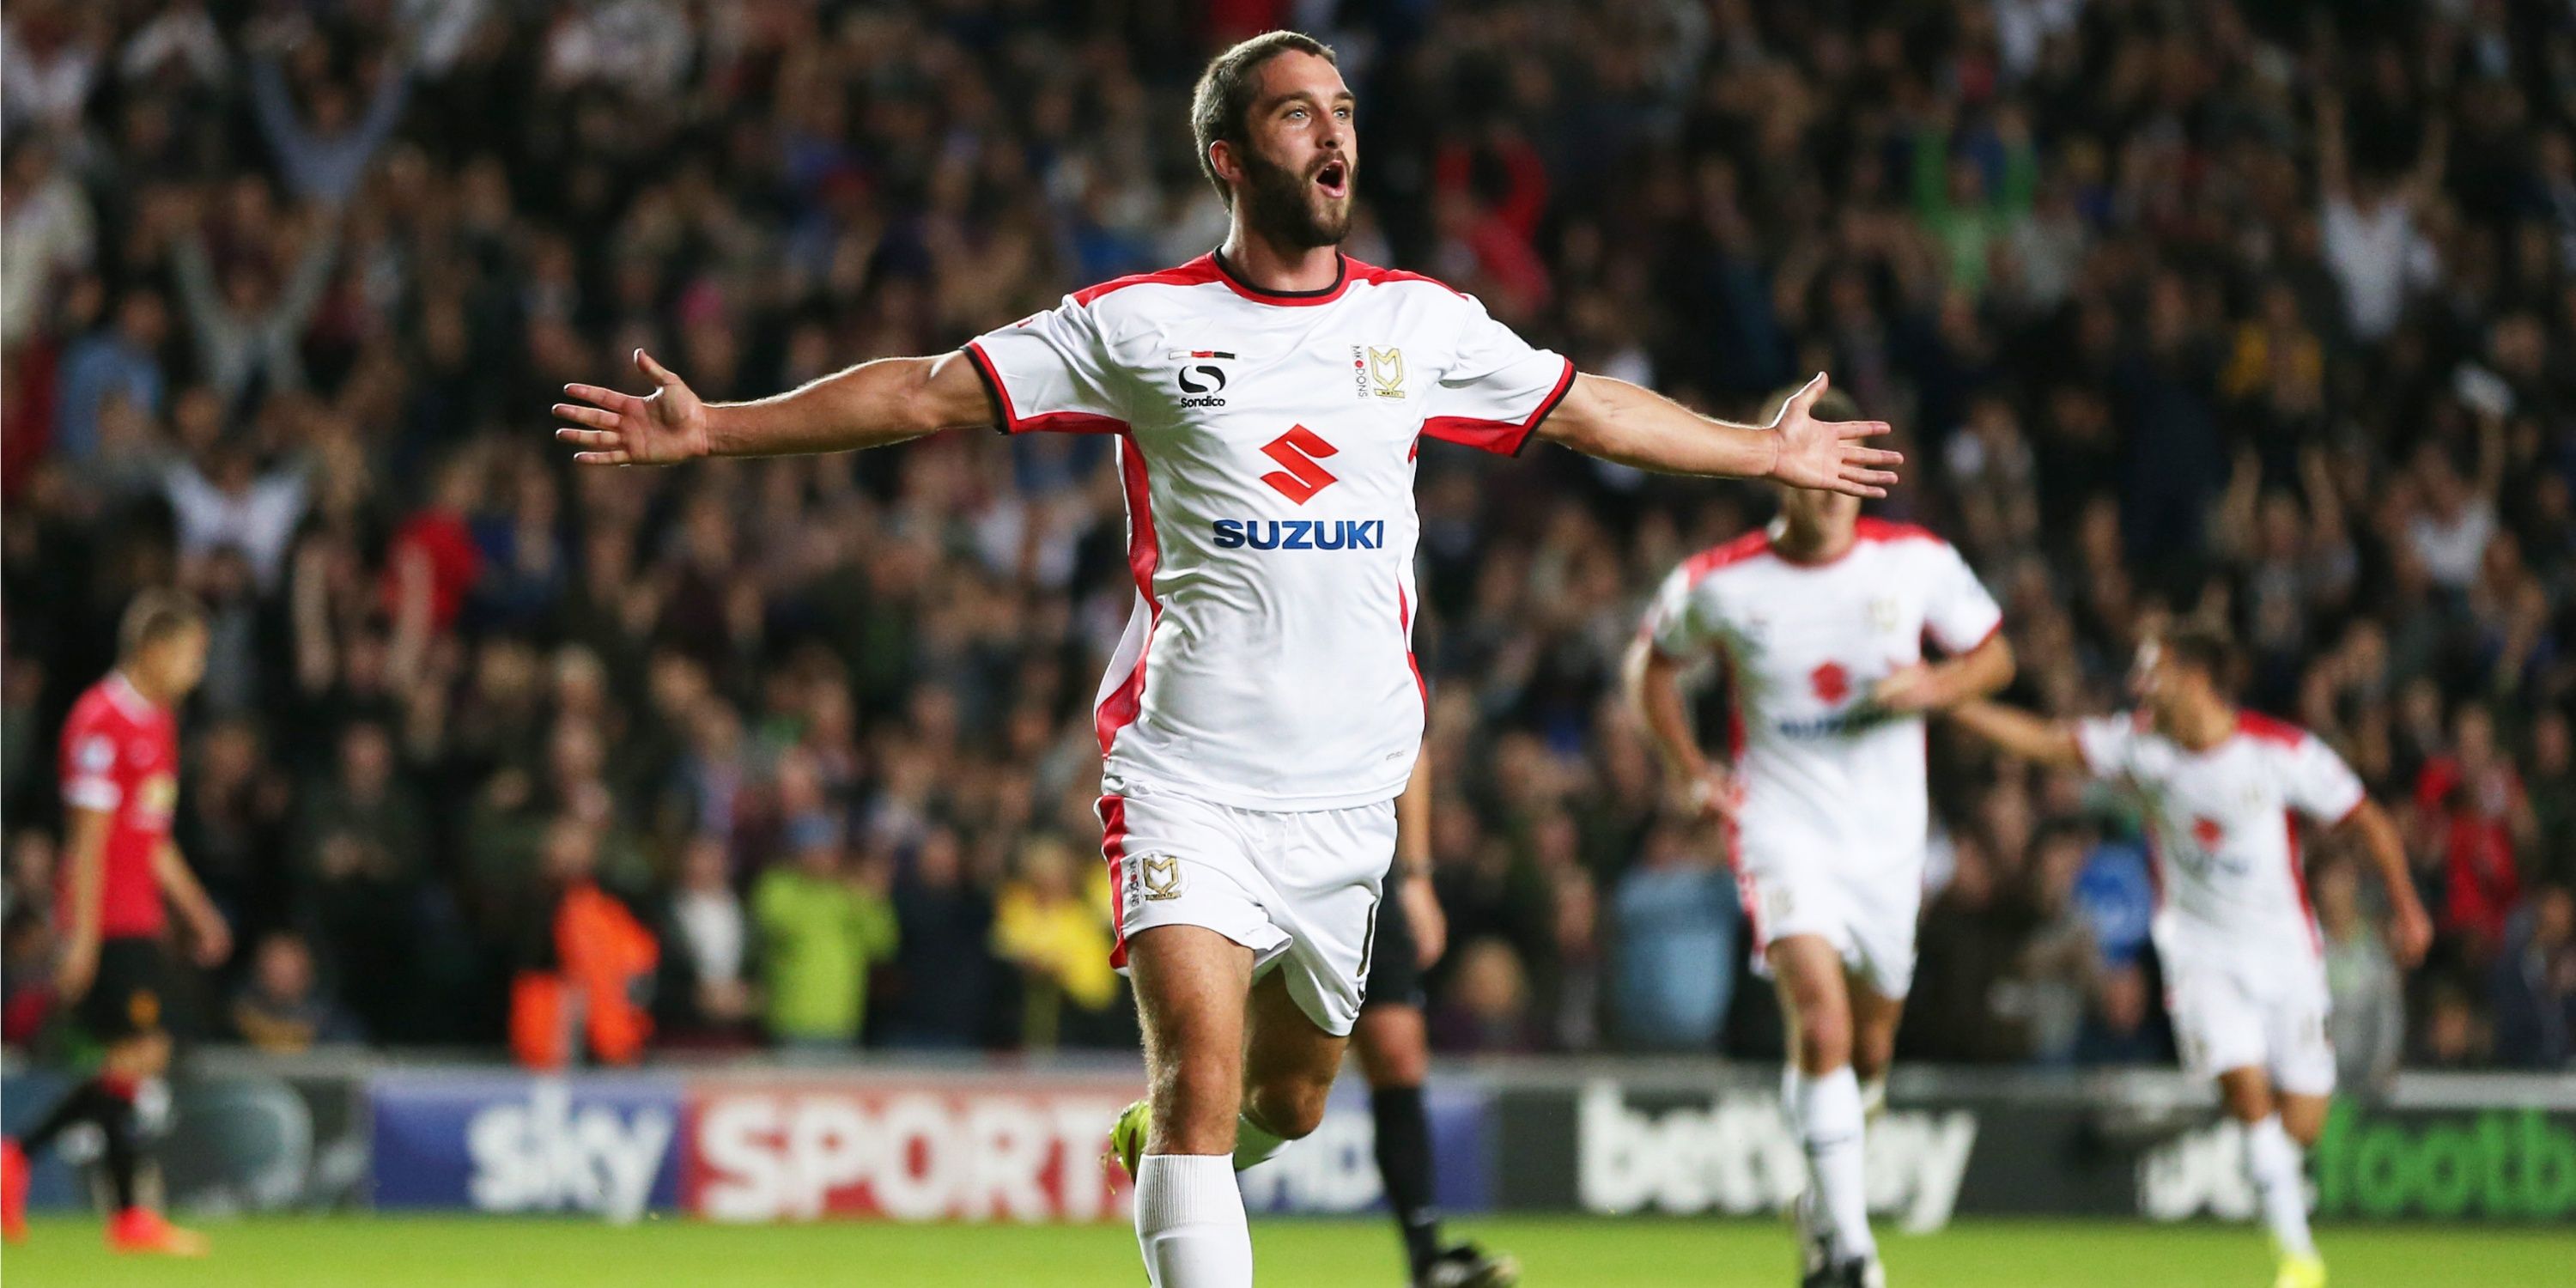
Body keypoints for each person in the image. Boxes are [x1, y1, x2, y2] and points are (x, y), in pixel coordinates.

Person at [551, 32, 1898, 1288]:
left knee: (1288, 1102)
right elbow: (925, 389)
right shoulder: (1140, 325)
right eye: (1299, 112)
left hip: (1350, 796)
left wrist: (1763, 450)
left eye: (1347, 112)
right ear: (1231, 159)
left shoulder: (1420, 327)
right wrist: (716, 429)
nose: (1336, 134)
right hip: (1187, 775)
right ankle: (1181, 1154)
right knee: (1199, 1085)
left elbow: (1589, 409)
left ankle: (1186, 1154)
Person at [1626, 392, 2012, 1288]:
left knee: (1868, 1049)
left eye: (1854, 467)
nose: (1838, 485)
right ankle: (1853, 1255)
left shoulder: (1916, 564)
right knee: (1821, 1018)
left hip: (1886, 843)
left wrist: (1940, 687)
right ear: (1784, 465)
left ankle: (1823, 1205)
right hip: (1778, 828)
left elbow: (1996, 655)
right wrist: (1687, 766)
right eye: (1822, 463)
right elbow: (1652, 669)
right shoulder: (1721, 582)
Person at [1946, 628, 2433, 1288]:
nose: (2141, 684)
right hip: (2200, 954)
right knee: (2246, 1091)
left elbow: (2368, 819)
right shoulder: (2140, 745)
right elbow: (2047, 741)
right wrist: (1953, 701)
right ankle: (2299, 1259)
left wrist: (2406, 908)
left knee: (2305, 1121)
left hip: (2286, 954)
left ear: (2198, 679)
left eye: (2156, 672)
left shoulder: (2275, 752)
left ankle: (2265, 1176)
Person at [3, 592, 231, 1255]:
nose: (197, 669)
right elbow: (90, 839)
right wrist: (78, 937)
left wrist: (196, 909)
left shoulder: (157, 722)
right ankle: (91, 1193)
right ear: (154, 650)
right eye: (192, 655)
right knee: (140, 1052)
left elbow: (151, 836)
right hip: (107, 917)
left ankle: (108, 1203)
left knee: (132, 1059)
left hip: (139, 912)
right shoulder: (101, 720)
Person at [1349, 750, 1514, 1288]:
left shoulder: (1403, 658)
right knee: (1282, 1090)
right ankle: (1183, 1171)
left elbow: (1412, 739)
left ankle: (1427, 1255)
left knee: (1397, 1050)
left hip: (1362, 851)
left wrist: (1416, 874)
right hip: (1257, 832)